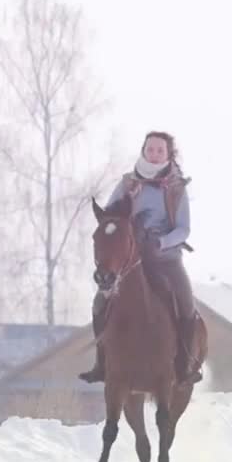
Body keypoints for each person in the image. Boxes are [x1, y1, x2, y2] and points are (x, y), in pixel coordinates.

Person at [79, 130, 202, 385]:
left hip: (165, 258)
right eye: (150, 149)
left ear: (168, 155)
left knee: (186, 303)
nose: (154, 154)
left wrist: (161, 242)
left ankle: (185, 365)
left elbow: (183, 229)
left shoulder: (177, 188)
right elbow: (110, 216)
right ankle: (101, 363)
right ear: (143, 151)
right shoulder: (127, 183)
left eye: (160, 150)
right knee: (99, 303)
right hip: (131, 258)